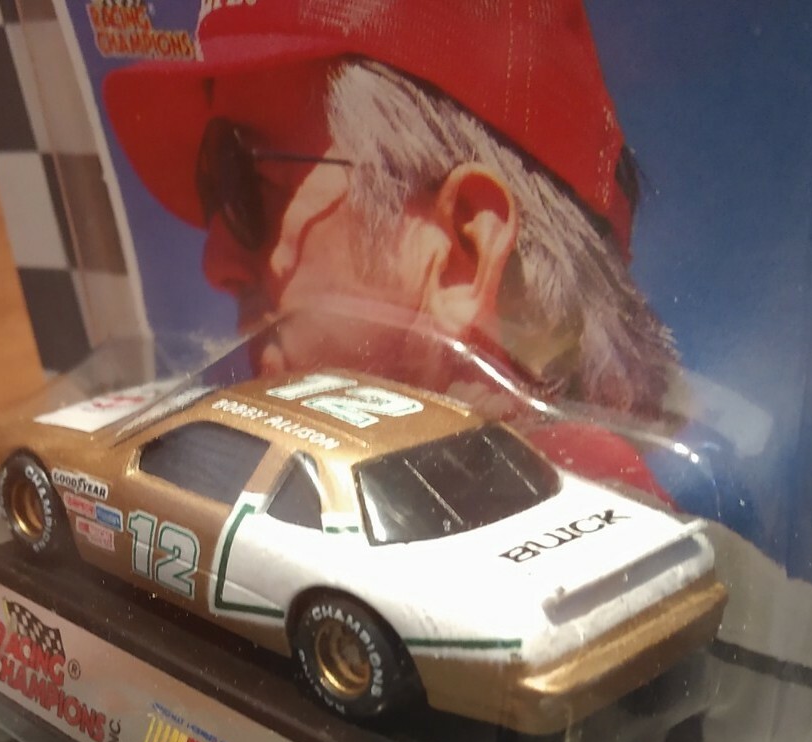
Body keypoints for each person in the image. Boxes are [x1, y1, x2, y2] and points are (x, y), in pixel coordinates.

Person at [104, 0, 689, 497]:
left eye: (246, 186)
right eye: (215, 187)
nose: (215, 264)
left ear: (461, 254)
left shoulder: (560, 539)